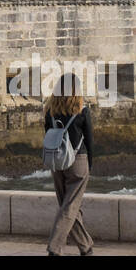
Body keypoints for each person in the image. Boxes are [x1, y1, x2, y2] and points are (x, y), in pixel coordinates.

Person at [44, 72, 95, 257]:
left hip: (57, 162)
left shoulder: (50, 110)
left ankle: (86, 247)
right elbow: (89, 140)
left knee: (68, 206)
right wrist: (90, 164)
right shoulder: (82, 110)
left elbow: (48, 136)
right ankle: (54, 249)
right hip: (78, 161)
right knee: (69, 207)